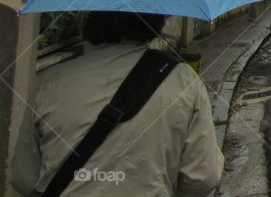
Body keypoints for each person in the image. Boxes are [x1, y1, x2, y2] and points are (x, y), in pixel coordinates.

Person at [12, 11, 223, 196]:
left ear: (91, 22)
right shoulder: (184, 81)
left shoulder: (50, 82)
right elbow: (203, 178)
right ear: (156, 22)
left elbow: (24, 179)